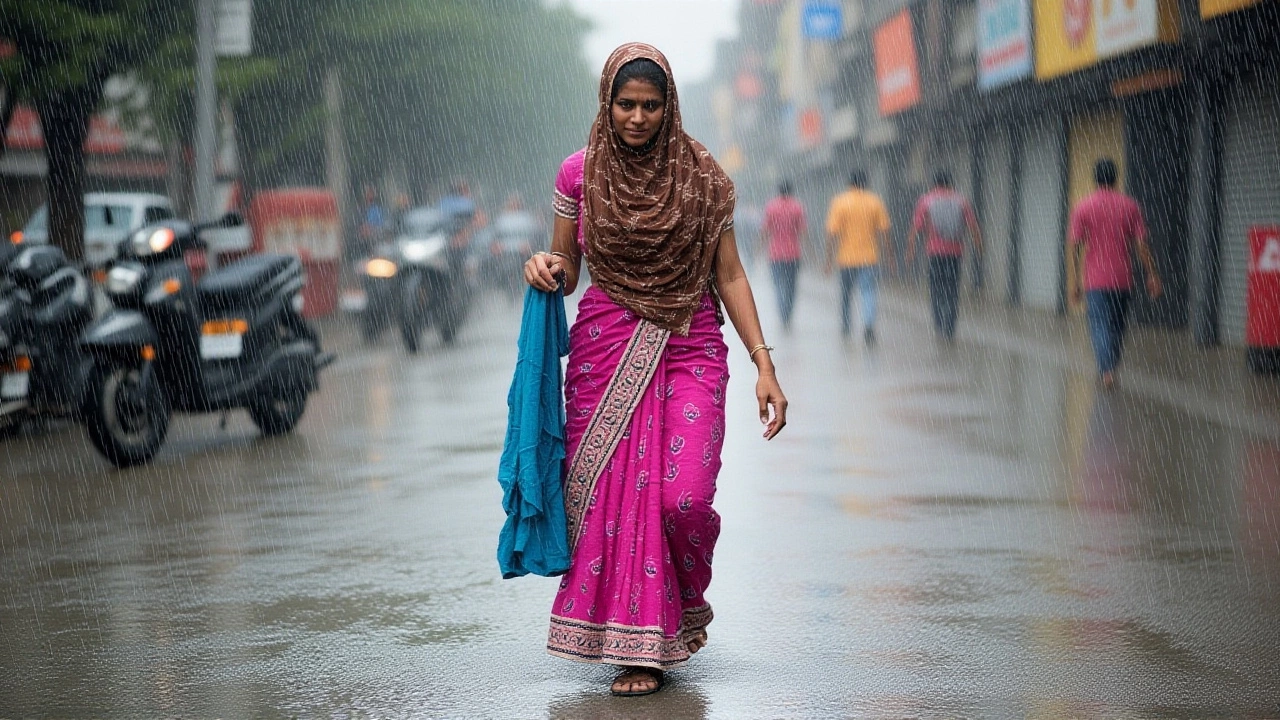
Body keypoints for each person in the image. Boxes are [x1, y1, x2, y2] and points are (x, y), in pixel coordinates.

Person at [523, 43, 788, 698]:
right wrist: (544, 269)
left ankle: (678, 608)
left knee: (683, 499)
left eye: (650, 105)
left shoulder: (703, 178)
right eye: (626, 104)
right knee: (610, 501)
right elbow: (568, 267)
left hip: (690, 341)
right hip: (605, 348)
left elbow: (728, 273)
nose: (637, 118)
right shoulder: (576, 176)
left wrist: (764, 364)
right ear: (606, 104)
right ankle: (638, 646)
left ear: (669, 107)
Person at [1068, 158, 1163, 389]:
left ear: (1095, 179)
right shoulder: (1130, 206)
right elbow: (1141, 244)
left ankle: (1107, 370)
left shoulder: (1083, 207)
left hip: (1096, 280)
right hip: (1122, 279)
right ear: (1115, 178)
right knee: (1118, 326)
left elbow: (1075, 246)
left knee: (1100, 325)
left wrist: (1075, 282)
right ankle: (1111, 365)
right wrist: (1152, 274)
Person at [908, 170, 983, 342]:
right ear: (950, 183)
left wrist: (910, 251)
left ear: (934, 183)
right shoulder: (961, 201)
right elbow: (973, 227)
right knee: (952, 290)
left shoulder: (926, 200)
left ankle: (938, 324)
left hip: (935, 253)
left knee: (936, 289)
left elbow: (916, 228)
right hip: (955, 254)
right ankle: (949, 327)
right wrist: (979, 249)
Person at [825, 170, 891, 345]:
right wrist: (890, 256)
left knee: (846, 294)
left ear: (850, 183)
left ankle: (846, 325)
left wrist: (828, 259)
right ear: (866, 182)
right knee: (868, 292)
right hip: (869, 258)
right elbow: (885, 232)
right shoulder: (875, 201)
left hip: (846, 259)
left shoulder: (840, 202)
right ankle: (868, 324)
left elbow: (832, 233)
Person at [762, 181, 807, 329]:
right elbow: (803, 232)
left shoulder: (771, 207)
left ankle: (783, 313)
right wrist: (809, 252)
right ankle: (787, 312)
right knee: (791, 286)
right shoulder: (797, 207)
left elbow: (765, 230)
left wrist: (760, 247)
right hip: (793, 254)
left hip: (775, 254)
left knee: (778, 285)